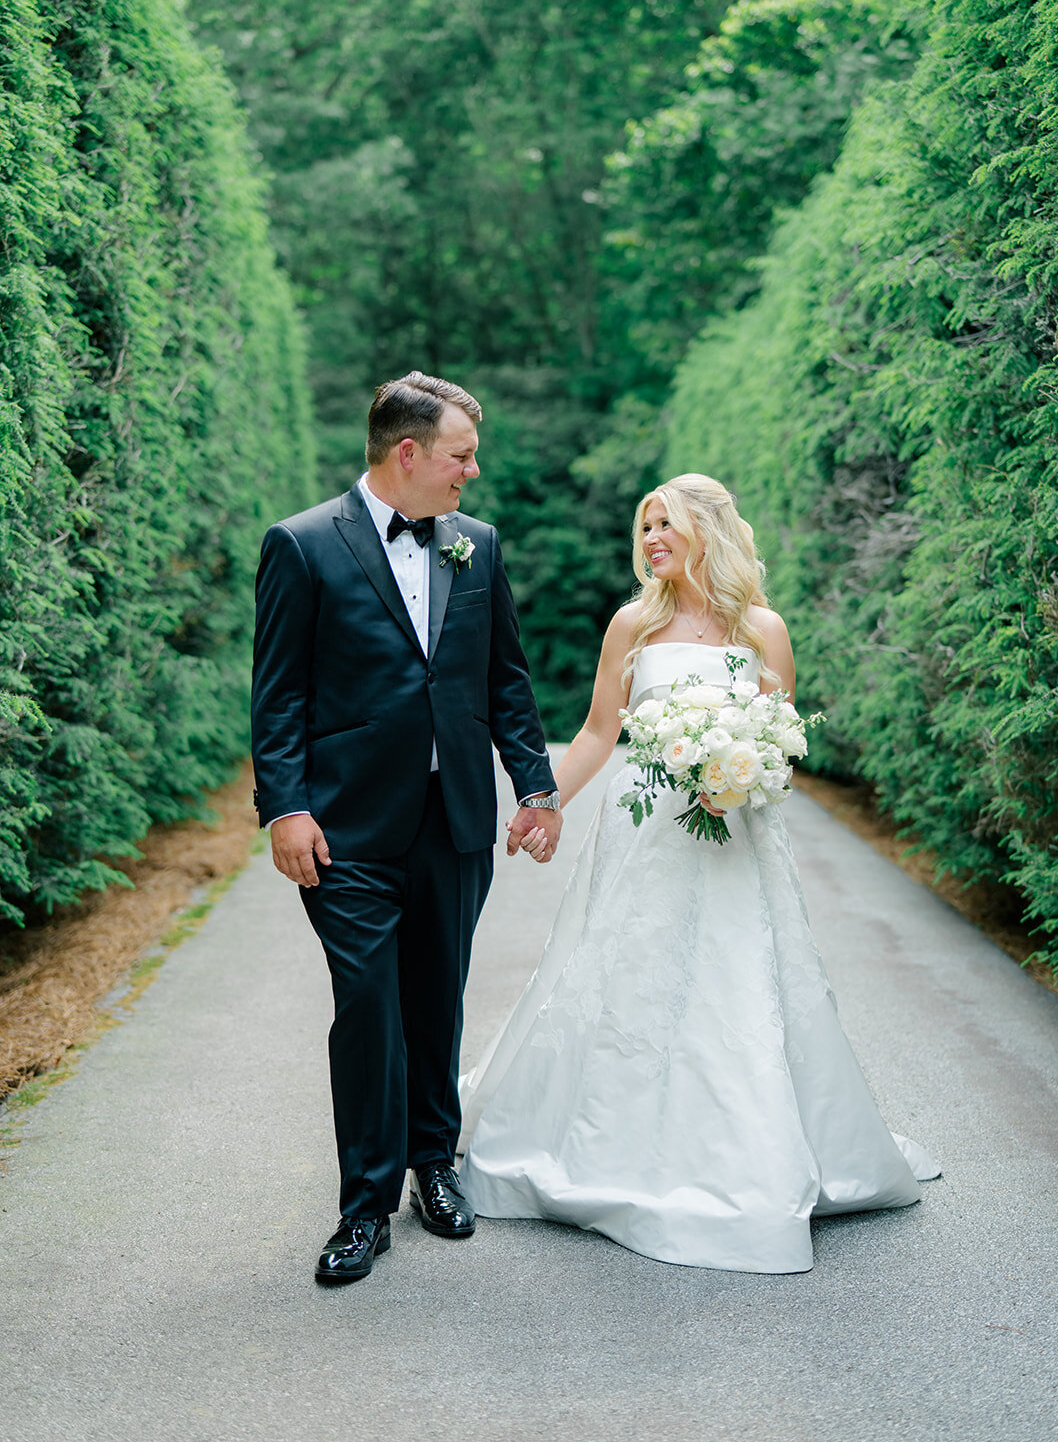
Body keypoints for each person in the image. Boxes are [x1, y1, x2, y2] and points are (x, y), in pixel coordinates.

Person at [460, 473, 938, 1273]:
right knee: (627, 979)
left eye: (665, 525)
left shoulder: (762, 629)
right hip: (643, 832)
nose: (650, 540)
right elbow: (595, 733)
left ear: (707, 532)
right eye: (643, 525)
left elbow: (782, 741)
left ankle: (741, 1152)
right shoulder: (630, 625)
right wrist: (541, 802)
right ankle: (606, 1142)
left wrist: (736, 776)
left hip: (734, 836)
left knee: (736, 983)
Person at [251, 371, 561, 1284]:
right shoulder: (303, 545)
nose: (472, 472)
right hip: (345, 828)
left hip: (454, 819)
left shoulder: (478, 546)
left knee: (438, 995)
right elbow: (278, 698)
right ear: (409, 452)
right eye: (462, 455)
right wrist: (286, 807)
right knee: (369, 1006)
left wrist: (535, 788)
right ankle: (363, 1207)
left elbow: (504, 679)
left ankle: (436, 1164)